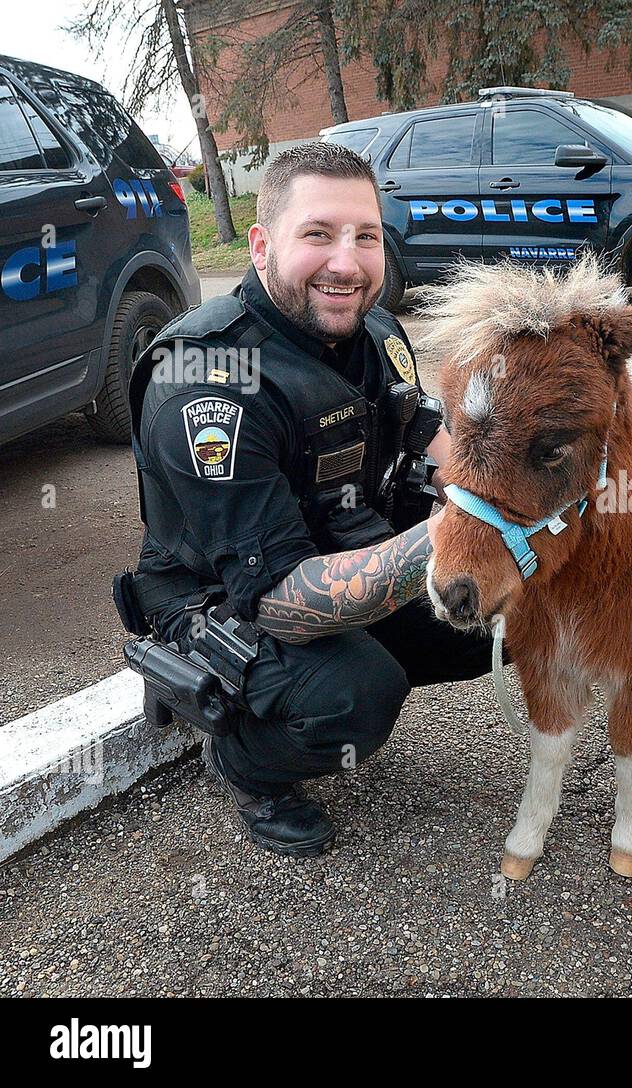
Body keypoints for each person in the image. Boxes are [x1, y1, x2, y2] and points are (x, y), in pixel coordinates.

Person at [124, 143, 492, 857]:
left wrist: (503, 493)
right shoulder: (206, 378)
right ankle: (245, 762)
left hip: (337, 537)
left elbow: (427, 435)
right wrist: (463, 531)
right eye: (318, 234)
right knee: (357, 696)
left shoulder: (375, 330)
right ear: (262, 245)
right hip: (220, 592)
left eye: (365, 236)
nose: (347, 263)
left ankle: (330, 676)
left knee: (489, 607)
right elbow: (275, 596)